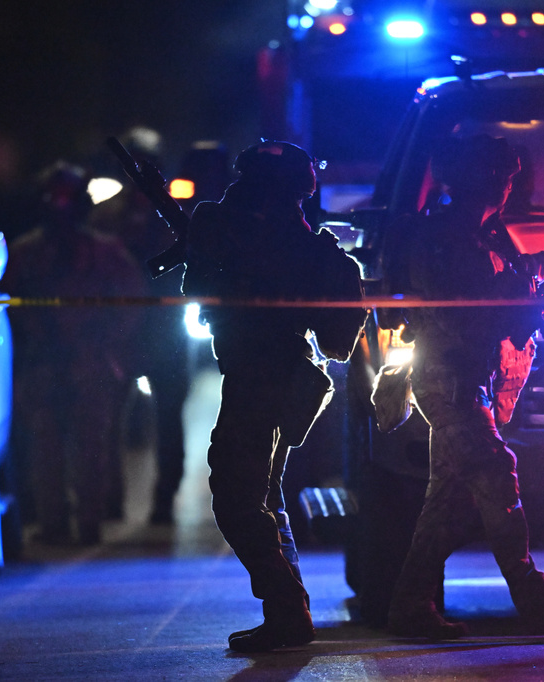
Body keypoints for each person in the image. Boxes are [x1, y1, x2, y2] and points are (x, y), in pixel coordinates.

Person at [382, 134, 544, 638]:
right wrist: (522, 304)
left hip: (474, 379)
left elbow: (516, 279)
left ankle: (411, 606)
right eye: (504, 181)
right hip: (450, 380)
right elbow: (471, 313)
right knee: (495, 469)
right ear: (484, 182)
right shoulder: (441, 240)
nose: (508, 190)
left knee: (449, 499)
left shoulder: (485, 235)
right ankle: (532, 592)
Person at [182, 140, 366, 652]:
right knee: (264, 497)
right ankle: (292, 612)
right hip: (280, 381)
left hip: (264, 380)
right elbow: (338, 343)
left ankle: (286, 607)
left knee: (236, 498)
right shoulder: (312, 253)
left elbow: (338, 342)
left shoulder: (283, 247)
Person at [1, 161, 145, 545]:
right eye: (54, 199)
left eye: (67, 199)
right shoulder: (24, 254)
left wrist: (104, 342)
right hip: (45, 361)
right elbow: (4, 308)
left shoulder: (104, 252)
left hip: (91, 360)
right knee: (46, 449)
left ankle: (89, 522)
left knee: (91, 448)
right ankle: (54, 524)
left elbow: (133, 301)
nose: (60, 208)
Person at [89, 127, 191, 525]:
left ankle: (164, 499)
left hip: (165, 328)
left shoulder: (176, 211)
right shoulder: (108, 214)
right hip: (121, 330)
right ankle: (110, 499)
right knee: (108, 418)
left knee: (169, 418)